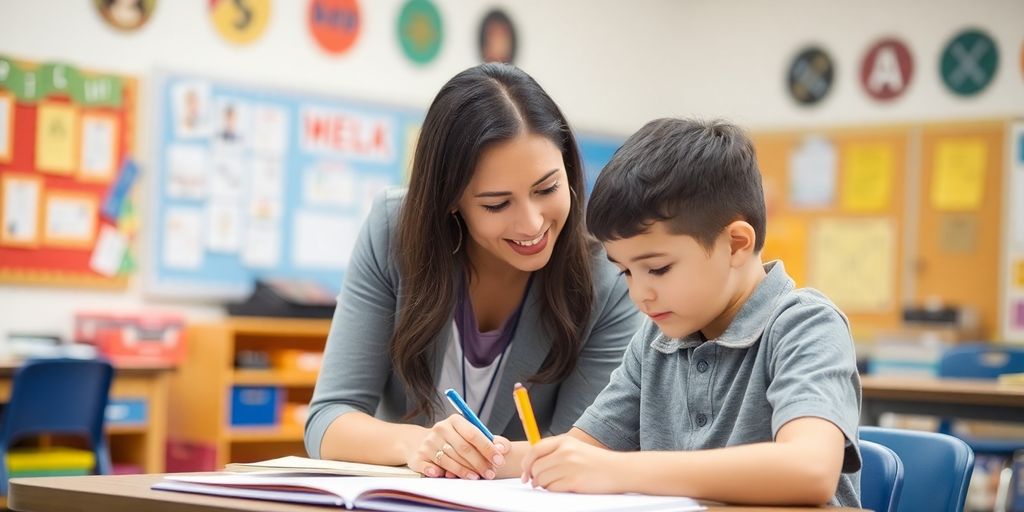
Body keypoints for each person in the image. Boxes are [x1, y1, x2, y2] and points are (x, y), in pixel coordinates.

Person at [305, 63, 639, 482]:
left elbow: (581, 449)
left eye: (547, 188)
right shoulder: (394, 232)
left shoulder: (606, 279)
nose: (532, 224)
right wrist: (417, 445)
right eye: (497, 204)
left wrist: (474, 459)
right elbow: (328, 418)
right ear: (451, 201)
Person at [520, 118, 862, 506]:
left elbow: (809, 470)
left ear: (735, 244)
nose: (639, 294)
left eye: (659, 269)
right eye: (626, 272)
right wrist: (479, 455)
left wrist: (614, 469)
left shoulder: (806, 324)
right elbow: (576, 452)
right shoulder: (656, 342)